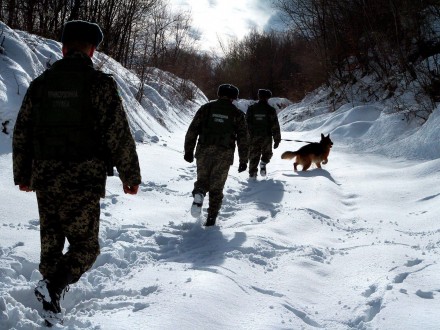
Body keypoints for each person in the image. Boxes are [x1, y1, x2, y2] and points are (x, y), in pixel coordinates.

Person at [12, 20, 141, 326]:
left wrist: (23, 175)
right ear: (92, 50)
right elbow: (118, 134)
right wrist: (130, 176)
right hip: (82, 180)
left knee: (51, 247)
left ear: (63, 48)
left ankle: (50, 304)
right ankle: (53, 288)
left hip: (45, 178)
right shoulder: (100, 85)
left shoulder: (41, 84)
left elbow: (22, 132)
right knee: (86, 247)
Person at [184, 84, 249, 226]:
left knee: (202, 180)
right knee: (216, 188)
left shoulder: (205, 109)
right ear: (234, 97)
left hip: (203, 151)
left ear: (219, 94)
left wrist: (188, 150)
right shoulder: (237, 114)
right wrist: (244, 159)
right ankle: (211, 218)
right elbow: (243, 139)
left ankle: (199, 193)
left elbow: (192, 130)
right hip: (224, 155)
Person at [246, 89, 281, 179]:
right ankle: (263, 163)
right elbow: (275, 126)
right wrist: (277, 139)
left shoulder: (251, 108)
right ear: (268, 98)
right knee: (267, 153)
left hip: (253, 137)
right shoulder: (271, 110)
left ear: (259, 96)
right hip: (267, 137)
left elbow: (246, 124)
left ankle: (252, 174)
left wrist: (247, 136)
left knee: (253, 155)